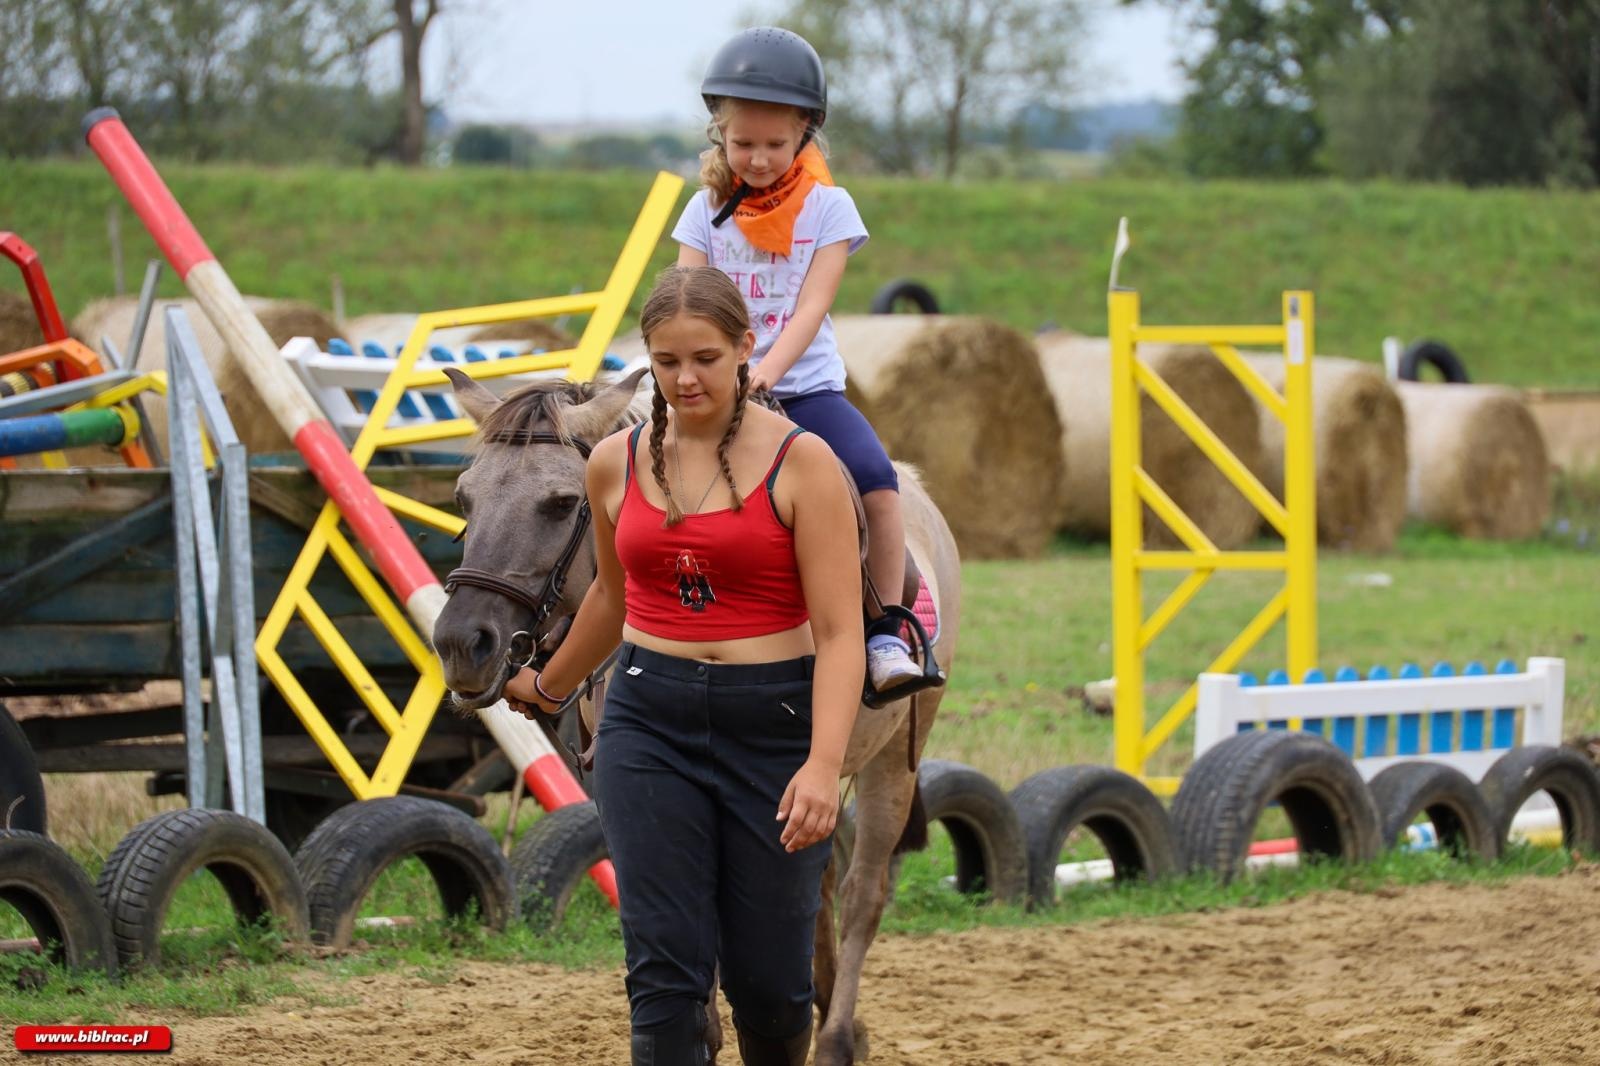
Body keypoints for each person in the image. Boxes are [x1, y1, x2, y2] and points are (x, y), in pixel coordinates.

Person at [503, 265, 864, 1066]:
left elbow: (840, 633)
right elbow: (612, 599)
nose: (685, 377)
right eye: (667, 361)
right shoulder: (614, 463)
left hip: (773, 724)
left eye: (704, 357)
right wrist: (551, 684)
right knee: (663, 977)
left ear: (745, 347)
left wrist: (822, 766)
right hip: (648, 717)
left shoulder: (805, 465)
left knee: (771, 986)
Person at [674, 25, 927, 696]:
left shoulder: (829, 208)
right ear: (719, 139)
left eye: (775, 145)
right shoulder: (703, 212)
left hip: (803, 390)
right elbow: (684, 299)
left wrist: (759, 376)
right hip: (712, 393)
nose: (758, 159)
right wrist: (700, 377)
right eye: (743, 144)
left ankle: (885, 635)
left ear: (806, 135)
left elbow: (809, 309)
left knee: (876, 479)